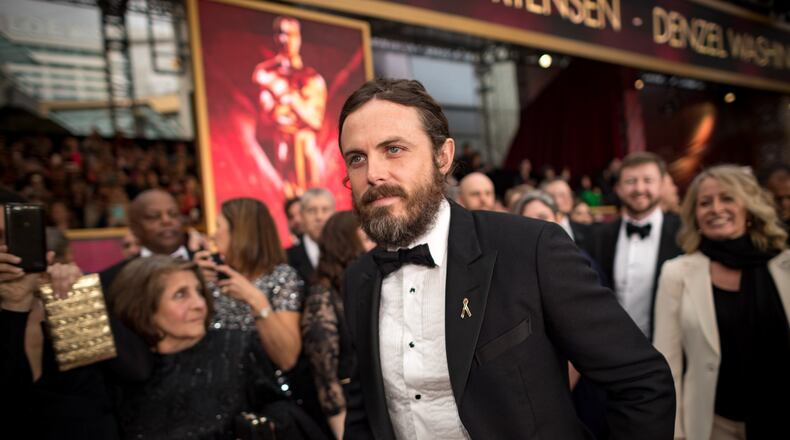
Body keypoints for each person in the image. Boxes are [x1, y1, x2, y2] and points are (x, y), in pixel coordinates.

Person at [337, 78, 674, 439]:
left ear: (443, 157)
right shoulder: (359, 279)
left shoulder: (530, 248)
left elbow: (642, 381)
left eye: (393, 149)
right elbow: (365, 417)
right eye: (357, 158)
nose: (373, 174)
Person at [110, 256, 324, 439]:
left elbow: (282, 413)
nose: (199, 304)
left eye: (199, 291)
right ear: (144, 308)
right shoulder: (126, 372)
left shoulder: (235, 347)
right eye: (180, 295)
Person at [654, 165, 790, 440]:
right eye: (705, 203)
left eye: (727, 198)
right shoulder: (677, 273)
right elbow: (668, 362)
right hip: (714, 424)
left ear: (749, 207)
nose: (716, 208)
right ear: (695, 214)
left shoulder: (785, 265)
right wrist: (675, 432)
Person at [588, 152, 683, 339]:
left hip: (668, 345)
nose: (639, 189)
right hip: (612, 344)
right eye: (630, 181)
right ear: (618, 188)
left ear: (662, 185)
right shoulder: (600, 236)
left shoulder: (683, 233)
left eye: (648, 180)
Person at [301, 211, 375, 439]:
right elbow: (325, 376)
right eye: (367, 239)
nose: (376, 246)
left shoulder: (373, 284)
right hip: (351, 413)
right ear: (345, 244)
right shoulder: (321, 297)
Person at [253, 16, 328, 198]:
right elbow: (269, 116)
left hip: (306, 152)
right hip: (281, 149)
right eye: (279, 34)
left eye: (290, 34)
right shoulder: (264, 73)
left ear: (298, 38)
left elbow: (314, 120)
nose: (284, 40)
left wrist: (289, 98)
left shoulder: (313, 78)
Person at [99, 189, 193, 290]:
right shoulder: (111, 279)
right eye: (153, 217)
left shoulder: (209, 264)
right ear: (135, 228)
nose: (166, 221)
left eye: (173, 214)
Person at [287, 188, 335, 287]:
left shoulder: (349, 251)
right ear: (302, 216)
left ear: (334, 213)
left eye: (325, 210)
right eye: (312, 211)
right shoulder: (287, 258)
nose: (319, 217)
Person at [542, 178, 591, 247]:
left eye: (569, 193)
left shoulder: (583, 230)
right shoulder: (542, 230)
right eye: (561, 195)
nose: (567, 198)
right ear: (549, 198)